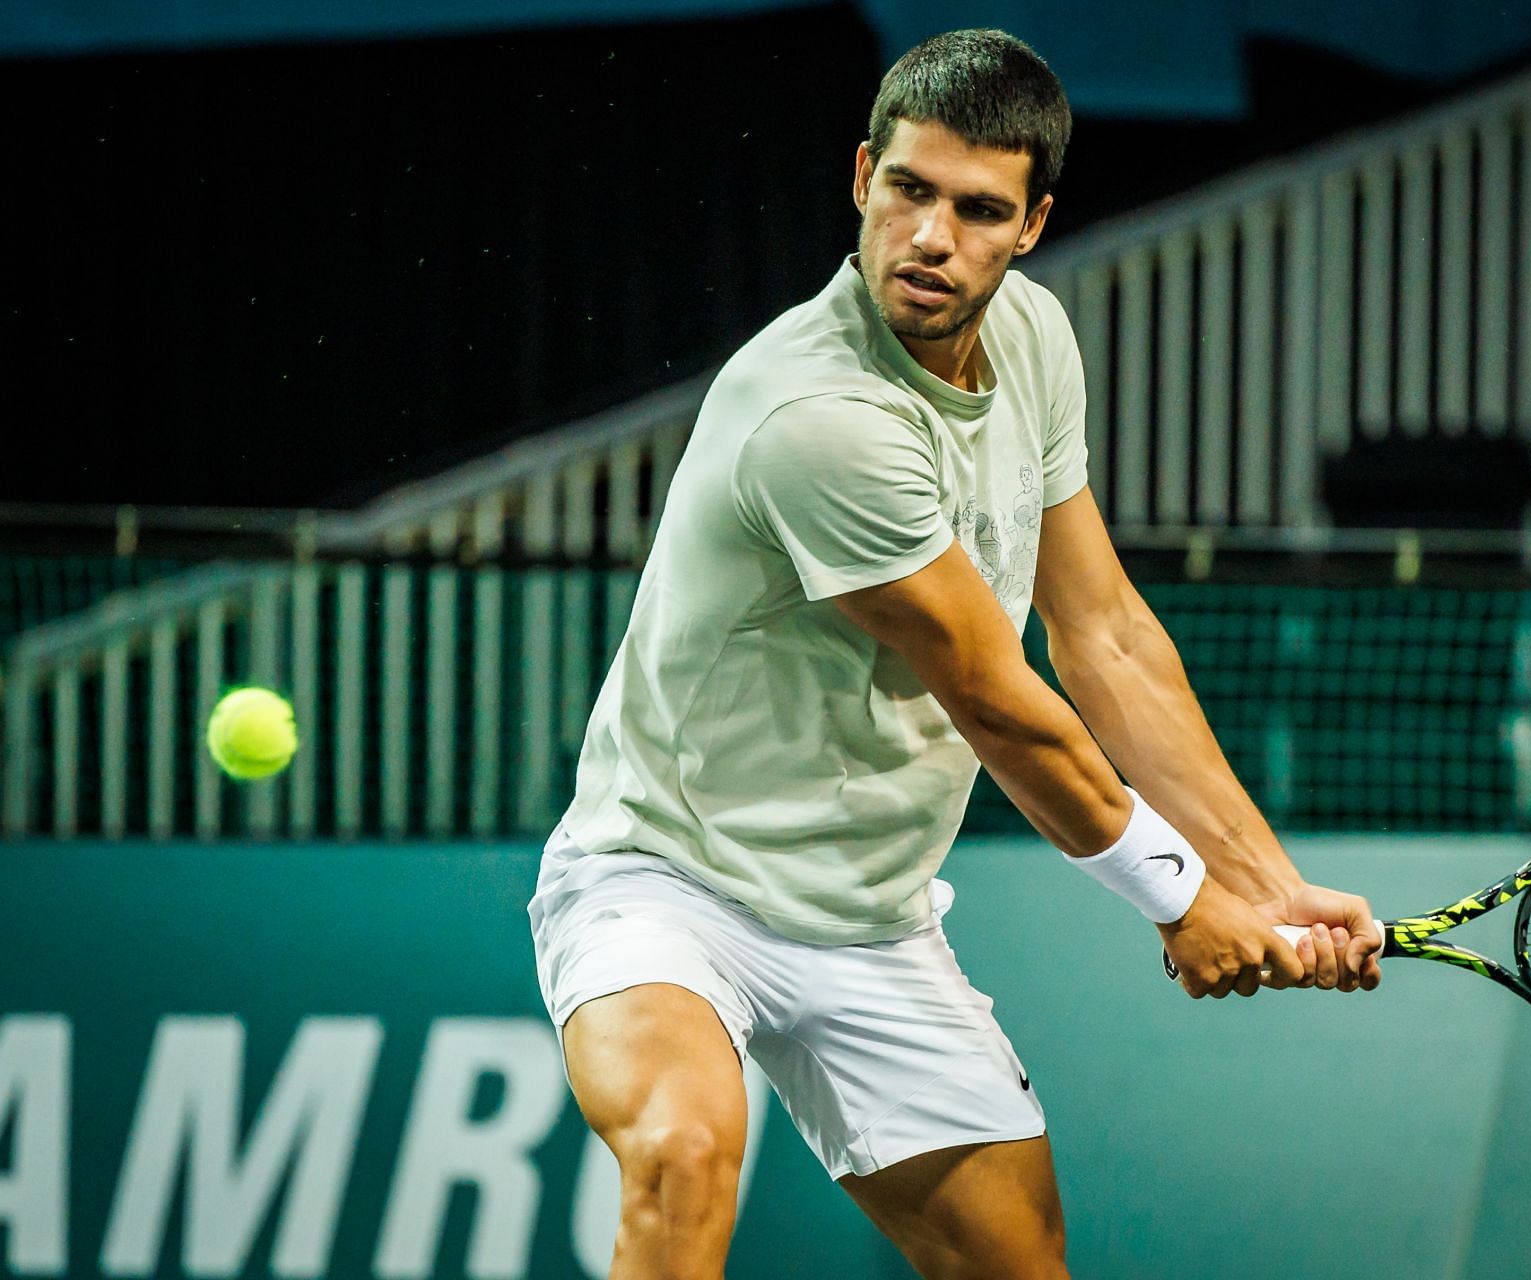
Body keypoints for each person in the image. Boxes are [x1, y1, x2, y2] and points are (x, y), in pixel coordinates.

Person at [529, 28, 1382, 1280]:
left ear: (1033, 224)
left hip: (868, 916)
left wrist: (1261, 878)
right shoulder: (817, 415)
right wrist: (1177, 895)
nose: (932, 237)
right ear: (862, 175)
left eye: (979, 210)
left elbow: (1104, 635)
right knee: (682, 1151)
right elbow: (997, 699)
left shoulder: (1032, 340)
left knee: (1019, 1264)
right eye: (909, 191)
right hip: (669, 879)